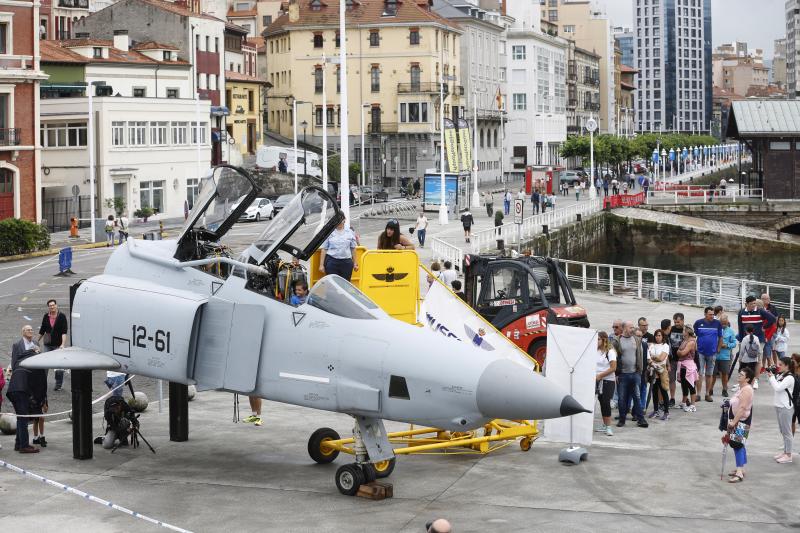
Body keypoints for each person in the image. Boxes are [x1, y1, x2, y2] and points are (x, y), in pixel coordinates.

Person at [8, 326, 40, 453]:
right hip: (20, 385)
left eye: (32, 330)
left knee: (21, 416)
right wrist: (31, 353)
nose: (30, 331)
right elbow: (15, 364)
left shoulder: (36, 344)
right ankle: (24, 446)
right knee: (23, 416)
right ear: (22, 332)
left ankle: (18, 443)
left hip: (25, 386)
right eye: (28, 330)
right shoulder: (17, 345)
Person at [737, 295, 775, 389]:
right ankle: (744, 379)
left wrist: (764, 327)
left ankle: (755, 380)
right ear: (746, 304)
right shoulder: (741, 312)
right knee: (742, 359)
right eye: (752, 303)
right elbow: (740, 327)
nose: (754, 305)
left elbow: (772, 319)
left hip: (758, 340)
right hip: (745, 340)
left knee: (757, 360)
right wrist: (741, 341)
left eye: (755, 303)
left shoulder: (760, 310)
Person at [616, 321, 648, 428]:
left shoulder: (637, 340)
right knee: (622, 398)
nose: (633, 329)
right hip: (623, 375)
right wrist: (616, 373)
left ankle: (641, 419)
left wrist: (640, 371)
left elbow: (640, 355)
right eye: (631, 327)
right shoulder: (618, 341)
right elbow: (615, 357)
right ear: (624, 328)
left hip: (635, 374)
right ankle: (622, 419)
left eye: (633, 327)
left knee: (637, 398)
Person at [725, 367, 754, 483]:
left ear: (747, 378)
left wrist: (733, 422)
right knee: (739, 444)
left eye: (741, 375)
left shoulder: (747, 390)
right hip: (738, 419)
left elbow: (742, 408)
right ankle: (741, 468)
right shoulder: (741, 388)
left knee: (737, 445)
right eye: (739, 374)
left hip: (741, 420)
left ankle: (739, 472)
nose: (739, 375)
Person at [768, 357, 796, 464]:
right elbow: (773, 384)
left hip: (785, 407)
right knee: (782, 431)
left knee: (787, 432)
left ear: (787, 366)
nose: (778, 366)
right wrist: (771, 375)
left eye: (780, 365)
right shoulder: (781, 375)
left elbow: (778, 388)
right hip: (779, 405)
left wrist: (772, 378)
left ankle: (788, 455)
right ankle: (785, 452)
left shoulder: (789, 378)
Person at [38, 299, 68, 391]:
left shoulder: (62, 316)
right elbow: (42, 330)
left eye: (53, 305)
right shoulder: (46, 316)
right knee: (45, 364)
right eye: (50, 306)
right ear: (48, 307)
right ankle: (42, 383)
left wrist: (62, 344)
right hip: (48, 344)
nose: (52, 307)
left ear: (56, 305)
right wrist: (36, 341)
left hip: (58, 345)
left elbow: (64, 332)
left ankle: (58, 385)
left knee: (58, 366)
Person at [694, 306, 723, 402]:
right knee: (699, 373)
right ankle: (698, 394)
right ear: (705, 314)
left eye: (713, 314)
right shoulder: (698, 323)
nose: (712, 316)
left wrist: (718, 348)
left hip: (712, 352)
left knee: (709, 374)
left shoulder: (718, 323)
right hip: (700, 352)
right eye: (710, 314)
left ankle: (707, 394)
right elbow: (694, 336)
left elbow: (720, 337)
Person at [595, 331, 617, 436]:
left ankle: (608, 427)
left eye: (598, 339)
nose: (596, 341)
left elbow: (613, 368)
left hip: (608, 380)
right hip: (597, 380)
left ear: (604, 340)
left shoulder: (610, 351)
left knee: (606, 402)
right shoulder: (595, 350)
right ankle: (604, 425)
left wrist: (600, 375)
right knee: (601, 402)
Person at [647, 329, 670, 420]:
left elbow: (662, 358)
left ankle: (666, 412)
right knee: (654, 391)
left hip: (662, 370)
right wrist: (653, 359)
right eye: (656, 335)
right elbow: (648, 358)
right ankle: (656, 410)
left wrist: (652, 357)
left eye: (659, 335)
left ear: (662, 336)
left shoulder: (665, 346)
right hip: (653, 370)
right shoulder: (652, 345)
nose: (658, 337)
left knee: (664, 390)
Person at [712, 314, 737, 398]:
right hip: (714, 356)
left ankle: (725, 389)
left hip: (725, 357)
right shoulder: (715, 330)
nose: (723, 325)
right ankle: (710, 389)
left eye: (725, 323)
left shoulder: (730, 331)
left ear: (727, 322)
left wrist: (727, 345)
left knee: (725, 374)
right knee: (713, 374)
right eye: (722, 323)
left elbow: (734, 343)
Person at [676, 326, 699, 412]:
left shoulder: (691, 342)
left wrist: (679, 352)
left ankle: (693, 405)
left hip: (689, 366)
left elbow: (683, 352)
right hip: (682, 365)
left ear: (687, 332)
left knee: (691, 385)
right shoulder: (685, 340)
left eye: (683, 330)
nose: (682, 332)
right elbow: (679, 352)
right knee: (684, 385)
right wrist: (679, 352)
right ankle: (683, 402)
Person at [666, 313, 685, 407]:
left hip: (683, 360)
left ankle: (684, 398)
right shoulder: (671, 329)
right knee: (671, 379)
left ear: (682, 320)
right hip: (672, 359)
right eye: (675, 322)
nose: (676, 324)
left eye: (678, 322)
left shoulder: (686, 330)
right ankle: (672, 398)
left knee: (683, 380)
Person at [761, 293, 779, 368]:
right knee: (765, 349)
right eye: (766, 298)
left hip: (771, 331)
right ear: (762, 299)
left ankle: (774, 364)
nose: (768, 300)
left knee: (772, 349)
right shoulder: (760, 308)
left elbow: (776, 318)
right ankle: (764, 366)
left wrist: (774, 329)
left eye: (768, 298)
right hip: (762, 331)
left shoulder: (772, 307)